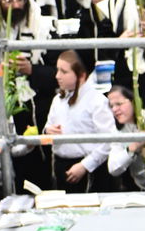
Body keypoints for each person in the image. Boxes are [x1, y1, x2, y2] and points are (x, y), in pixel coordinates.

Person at [44, 50, 114, 191]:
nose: (57, 76)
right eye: (57, 70)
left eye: (64, 72)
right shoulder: (57, 100)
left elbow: (108, 141)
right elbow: (48, 125)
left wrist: (85, 166)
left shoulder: (97, 101)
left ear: (81, 75)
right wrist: (48, 131)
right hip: (60, 165)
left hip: (87, 169)